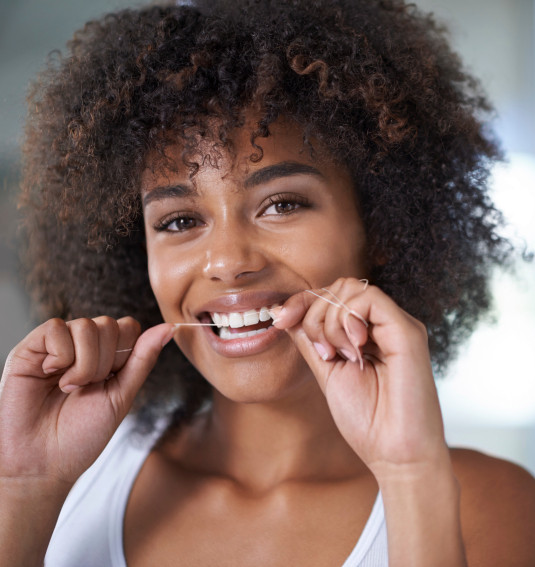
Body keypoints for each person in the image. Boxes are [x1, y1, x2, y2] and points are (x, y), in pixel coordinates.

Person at [1, 0, 534, 565]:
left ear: (380, 227)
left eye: (281, 204)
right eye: (180, 221)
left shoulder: (491, 505)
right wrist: (25, 489)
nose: (228, 262)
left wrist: (410, 475)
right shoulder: (66, 478)